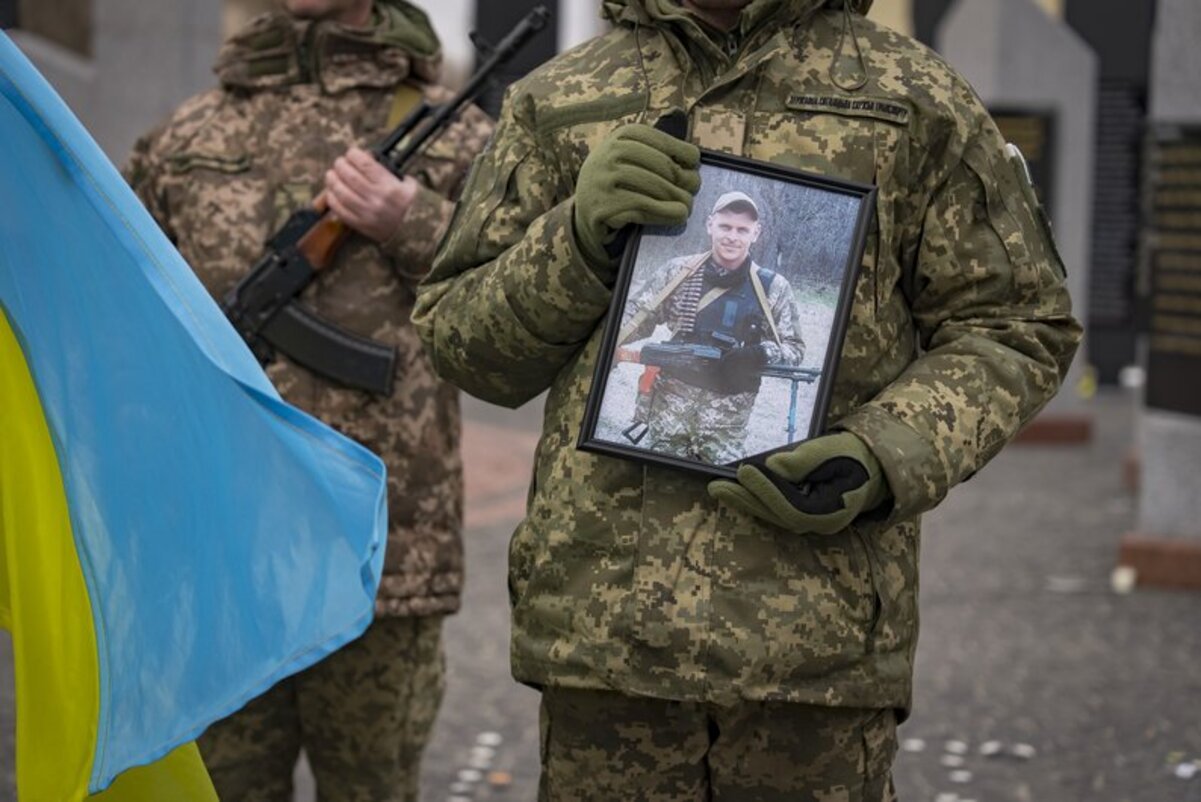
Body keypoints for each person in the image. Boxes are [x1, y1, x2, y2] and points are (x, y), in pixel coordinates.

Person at [414, 0, 1081, 798]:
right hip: (608, 639)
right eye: (719, 230)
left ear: (755, 236)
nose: (727, 240)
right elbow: (465, 345)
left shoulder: (913, 100)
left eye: (740, 231)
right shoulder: (563, 99)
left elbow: (1015, 323)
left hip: (812, 643)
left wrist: (884, 453)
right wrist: (577, 237)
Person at [125, 1, 491, 799]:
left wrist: (413, 221)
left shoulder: (454, 137)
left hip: (381, 558)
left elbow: (522, 317)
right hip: (221, 553)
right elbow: (119, 325)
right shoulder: (183, 137)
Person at [615, 190, 804, 463]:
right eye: (725, 226)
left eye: (742, 229)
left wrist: (759, 354)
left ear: (756, 233)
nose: (732, 236)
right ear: (709, 225)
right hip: (671, 409)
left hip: (727, 420)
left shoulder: (773, 287)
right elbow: (634, 320)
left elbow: (795, 350)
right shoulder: (678, 272)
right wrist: (608, 346)